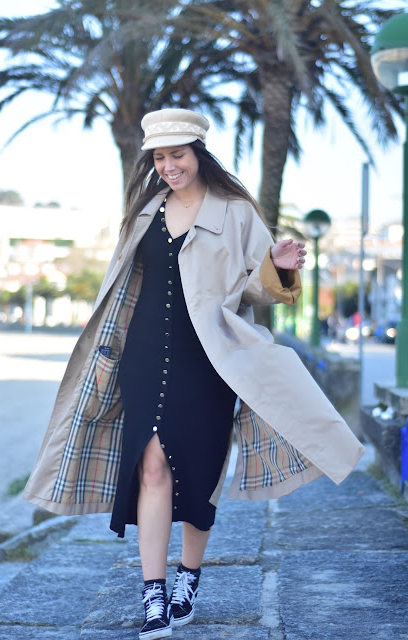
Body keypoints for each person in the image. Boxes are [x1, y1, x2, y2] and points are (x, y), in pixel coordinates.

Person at [23, 109, 365, 640]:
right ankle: (153, 592)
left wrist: (278, 264)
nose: (168, 166)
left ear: (199, 153)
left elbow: (257, 291)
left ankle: (189, 574)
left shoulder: (237, 211)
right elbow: (123, 286)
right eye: (159, 158)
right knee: (151, 467)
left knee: (200, 472)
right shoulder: (144, 212)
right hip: (142, 356)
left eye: (177, 155)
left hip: (209, 359)